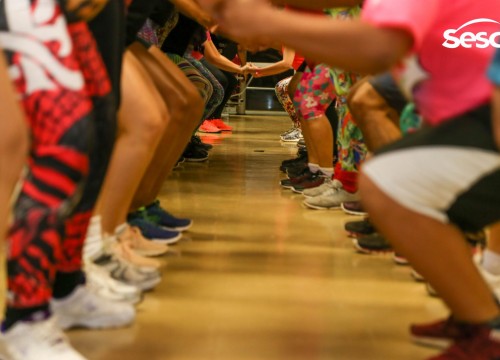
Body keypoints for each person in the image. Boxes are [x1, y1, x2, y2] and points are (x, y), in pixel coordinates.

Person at [199, 0, 500, 358]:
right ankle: (477, 316)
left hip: (481, 111)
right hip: (468, 104)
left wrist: (268, 20)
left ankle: (483, 320)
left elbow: (378, 46)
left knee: (390, 182)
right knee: (390, 168)